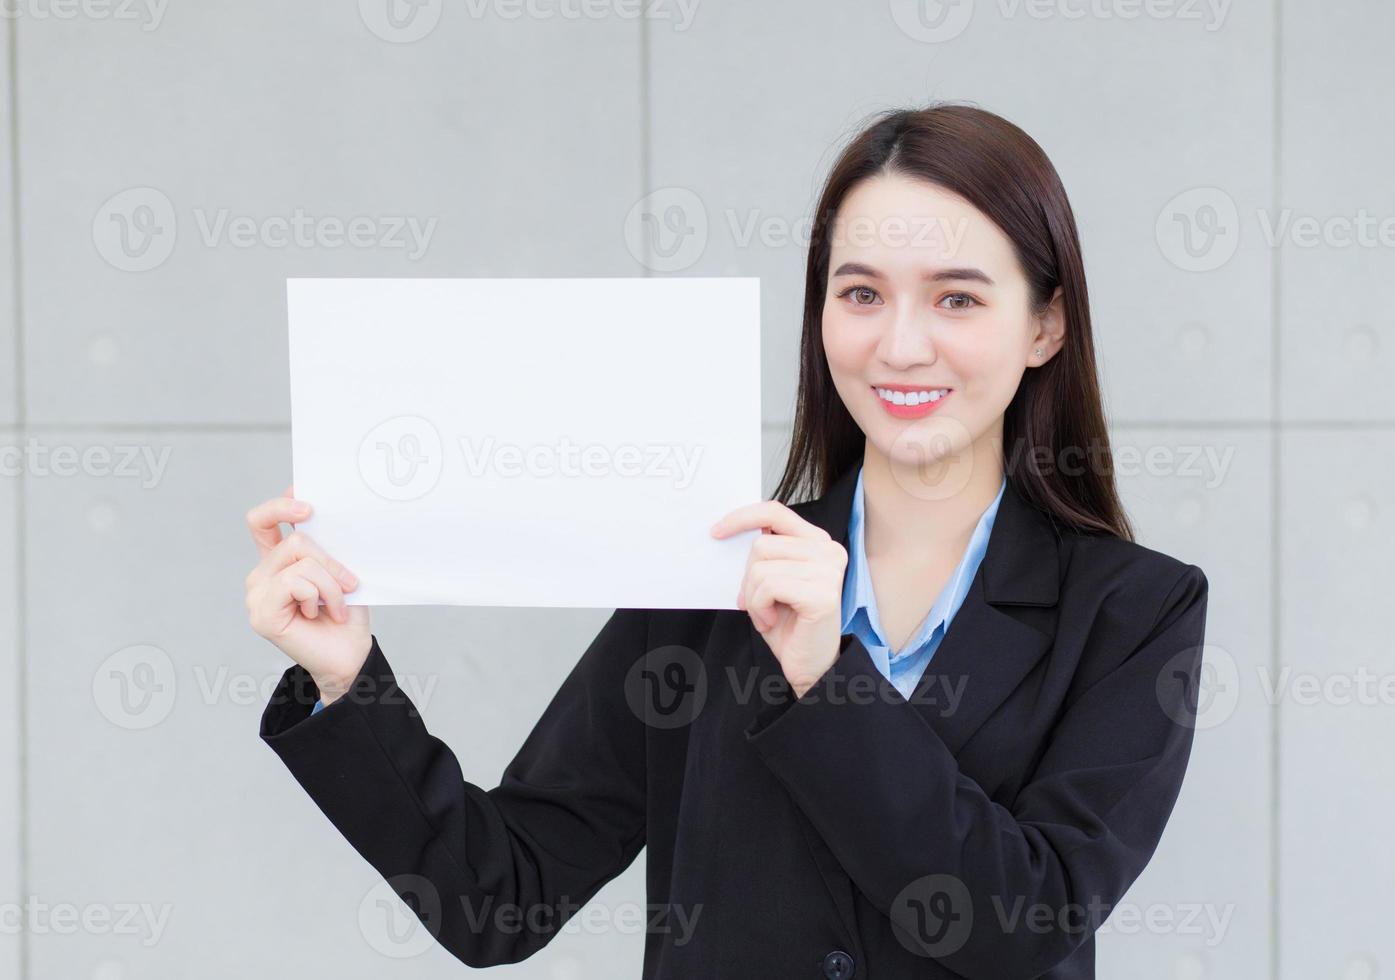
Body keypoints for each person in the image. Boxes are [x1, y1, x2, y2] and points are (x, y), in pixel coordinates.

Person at [245, 102, 1210, 979]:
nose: (902, 345)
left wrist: (827, 680)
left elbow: (1024, 923)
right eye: (861, 294)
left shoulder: (1132, 612)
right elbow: (502, 897)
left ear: (1044, 325)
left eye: (958, 298)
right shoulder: (707, 580)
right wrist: (347, 682)